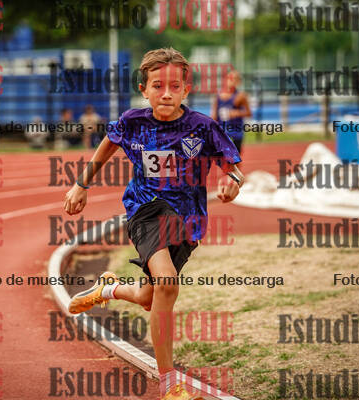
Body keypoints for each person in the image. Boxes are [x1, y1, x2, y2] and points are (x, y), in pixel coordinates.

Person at [62, 47, 243, 399]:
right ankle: (169, 384)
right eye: (158, 86)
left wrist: (231, 181)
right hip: (146, 210)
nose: (166, 94)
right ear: (144, 89)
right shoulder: (132, 121)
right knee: (168, 285)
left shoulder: (203, 127)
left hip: (188, 220)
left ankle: (108, 289)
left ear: (186, 90)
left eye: (175, 87)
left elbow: (233, 167)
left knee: (150, 296)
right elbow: (107, 146)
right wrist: (81, 184)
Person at [210, 70, 251, 155]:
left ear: (238, 82)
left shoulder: (241, 96)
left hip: (237, 131)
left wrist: (237, 113)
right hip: (223, 131)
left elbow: (248, 113)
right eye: (229, 78)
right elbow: (214, 115)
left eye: (235, 79)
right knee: (222, 156)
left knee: (236, 156)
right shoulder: (218, 96)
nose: (231, 81)